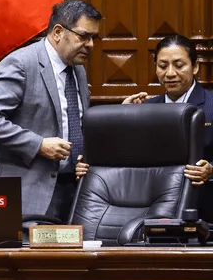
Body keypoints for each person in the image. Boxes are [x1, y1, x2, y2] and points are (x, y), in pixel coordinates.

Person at [0, 0, 101, 222]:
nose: (90, 44)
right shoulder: (21, 63)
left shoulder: (78, 71)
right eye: (84, 36)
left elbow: (74, 122)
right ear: (58, 32)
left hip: (73, 190)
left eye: (94, 38)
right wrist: (39, 145)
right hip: (27, 191)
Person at [75, 34, 213, 221]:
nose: (170, 73)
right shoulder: (147, 109)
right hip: (153, 208)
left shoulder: (211, 104)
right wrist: (122, 120)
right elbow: (127, 160)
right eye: (162, 66)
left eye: (179, 65)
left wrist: (211, 169)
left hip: (204, 206)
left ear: (195, 66)